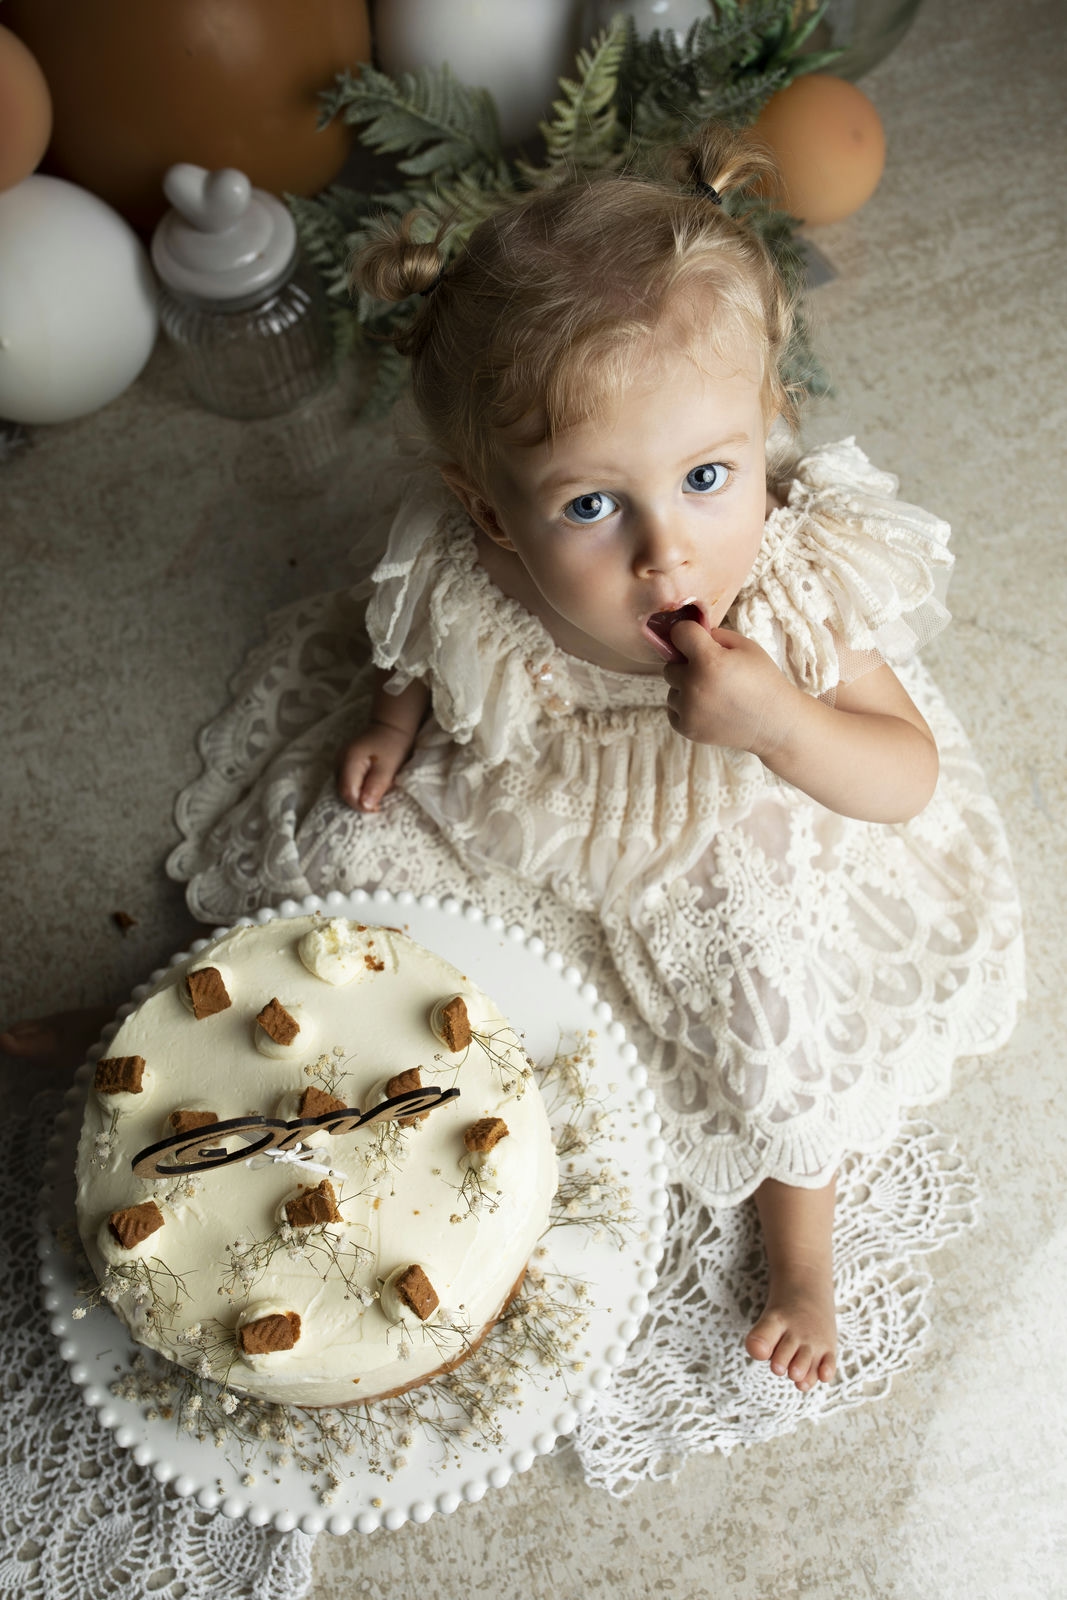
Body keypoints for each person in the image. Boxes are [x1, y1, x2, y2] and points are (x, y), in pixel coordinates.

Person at [10, 123, 1023, 1398]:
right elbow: (423, 644)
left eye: (710, 474)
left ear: (767, 429)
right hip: (535, 785)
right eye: (591, 506)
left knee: (773, 984)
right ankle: (155, 1052)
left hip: (743, 811)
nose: (666, 553)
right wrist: (390, 721)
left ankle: (800, 1242)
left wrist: (778, 720)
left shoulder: (791, 581)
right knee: (348, 870)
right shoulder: (470, 555)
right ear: (492, 508)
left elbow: (902, 776)